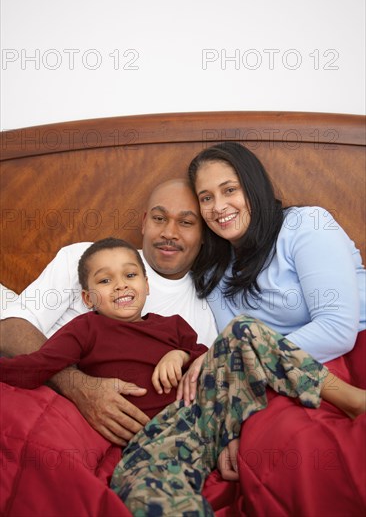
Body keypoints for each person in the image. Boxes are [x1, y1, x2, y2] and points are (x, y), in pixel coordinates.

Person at [1, 237, 364, 516]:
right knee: (145, 493)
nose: (122, 286)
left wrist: (182, 355)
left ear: (145, 283)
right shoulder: (85, 330)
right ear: (88, 297)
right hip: (158, 437)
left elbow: (208, 360)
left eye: (130, 275)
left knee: (240, 330)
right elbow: (38, 364)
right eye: (106, 280)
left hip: (203, 410)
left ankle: (351, 398)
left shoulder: (173, 326)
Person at [184, 140, 366, 478]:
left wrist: (241, 359)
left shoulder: (306, 225)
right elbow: (235, 346)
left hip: (356, 349)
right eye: (206, 197)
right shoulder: (213, 274)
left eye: (230, 190)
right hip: (279, 376)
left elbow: (338, 330)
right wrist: (231, 430)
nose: (219, 206)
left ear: (253, 186)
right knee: (276, 451)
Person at [0, 179, 218, 446]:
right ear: (143, 222)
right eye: (159, 218)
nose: (169, 232)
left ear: (204, 234)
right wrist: (78, 386)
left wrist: (180, 354)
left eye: (186, 222)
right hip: (55, 415)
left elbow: (206, 385)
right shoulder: (86, 260)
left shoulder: (200, 312)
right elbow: (10, 327)